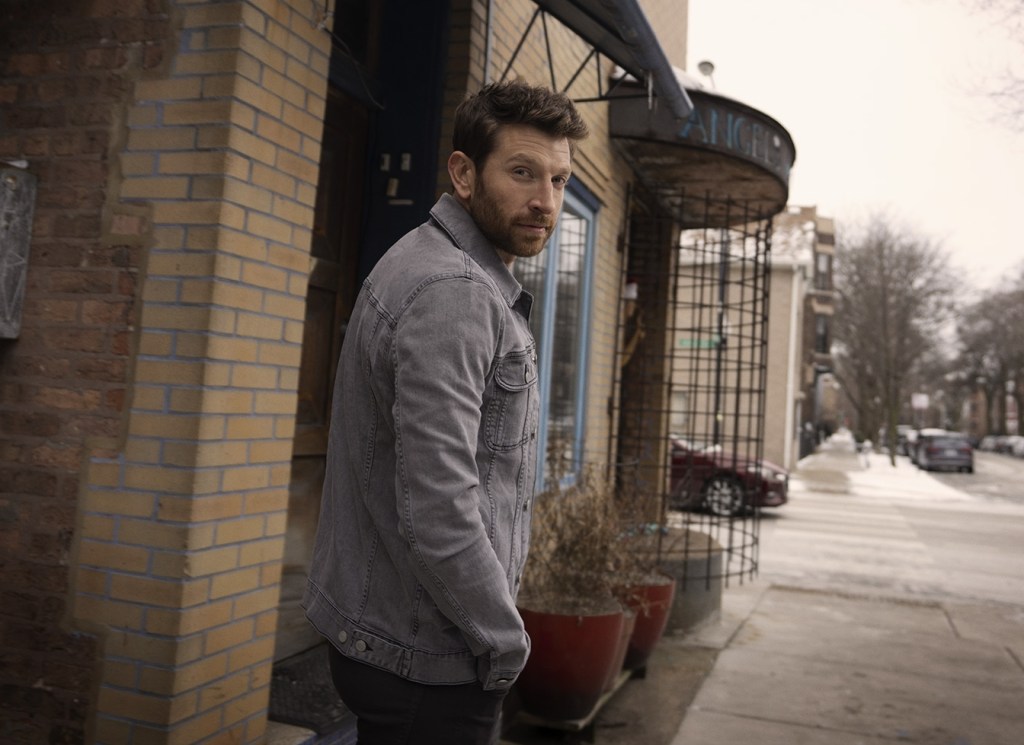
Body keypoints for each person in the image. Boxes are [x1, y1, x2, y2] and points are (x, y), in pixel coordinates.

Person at [303, 80, 589, 745]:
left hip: (394, 635)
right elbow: (439, 504)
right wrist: (504, 639)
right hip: (427, 659)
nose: (544, 200)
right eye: (522, 172)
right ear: (463, 172)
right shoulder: (454, 292)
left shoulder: (429, 261)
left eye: (558, 179)